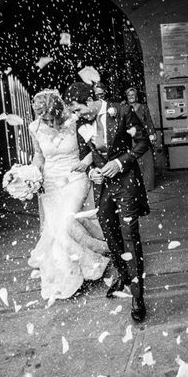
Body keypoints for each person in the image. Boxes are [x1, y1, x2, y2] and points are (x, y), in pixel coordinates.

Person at [65, 82, 151, 322]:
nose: (77, 116)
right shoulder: (82, 123)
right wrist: (90, 170)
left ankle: (137, 295)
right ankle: (123, 275)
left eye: (79, 110)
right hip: (102, 187)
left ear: (91, 100)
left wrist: (121, 162)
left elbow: (143, 143)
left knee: (129, 236)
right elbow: (85, 154)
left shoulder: (121, 111)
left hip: (126, 184)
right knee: (110, 234)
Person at [27, 89, 110, 300]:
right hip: (50, 182)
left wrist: (87, 163)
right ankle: (70, 276)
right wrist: (32, 175)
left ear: (57, 109)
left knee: (66, 222)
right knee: (56, 230)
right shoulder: (34, 128)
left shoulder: (75, 121)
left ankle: (97, 252)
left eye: (48, 115)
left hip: (75, 178)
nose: (45, 120)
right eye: (41, 116)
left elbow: (97, 145)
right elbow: (39, 155)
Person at [122, 87, 157, 190]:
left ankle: (148, 185)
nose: (131, 97)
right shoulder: (124, 108)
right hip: (130, 137)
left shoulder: (143, 107)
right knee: (133, 161)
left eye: (133, 95)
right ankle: (136, 185)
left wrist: (152, 133)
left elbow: (149, 122)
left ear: (136, 96)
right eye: (129, 95)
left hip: (143, 137)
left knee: (147, 161)